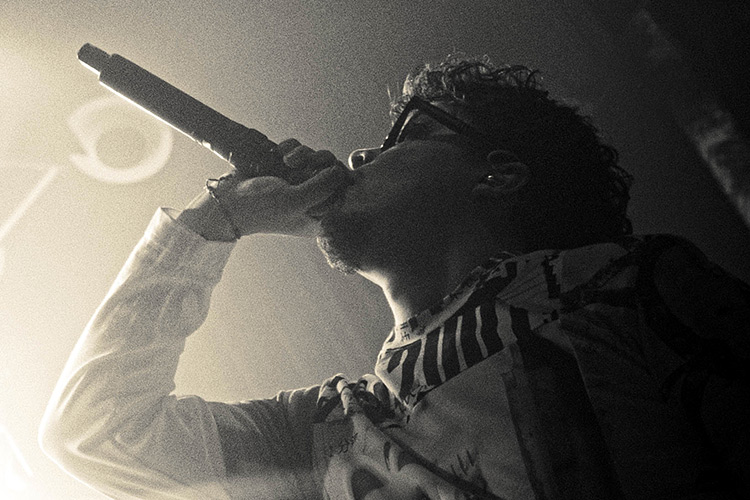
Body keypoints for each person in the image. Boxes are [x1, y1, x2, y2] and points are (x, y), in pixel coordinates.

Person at [39, 56, 749, 499]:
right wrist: (214, 220)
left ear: (499, 173)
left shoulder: (629, 285)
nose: (358, 157)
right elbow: (97, 433)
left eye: (408, 135)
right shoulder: (325, 431)